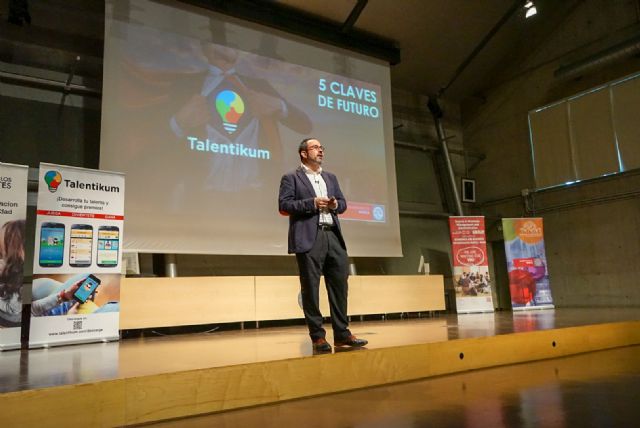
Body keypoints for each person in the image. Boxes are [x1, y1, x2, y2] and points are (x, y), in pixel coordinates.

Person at [278, 138, 368, 353]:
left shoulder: (330, 177)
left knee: (339, 285)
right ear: (303, 153)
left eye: (321, 148)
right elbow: (284, 206)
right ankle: (318, 336)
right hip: (310, 237)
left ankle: (342, 334)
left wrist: (335, 205)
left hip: (333, 235)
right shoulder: (291, 177)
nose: (320, 151)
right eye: (315, 148)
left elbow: (343, 204)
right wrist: (312, 203)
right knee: (311, 288)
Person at [0, 220, 83, 326]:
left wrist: (63, 296)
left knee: (82, 281)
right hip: (38, 321)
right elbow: (17, 310)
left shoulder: (14, 271)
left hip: (33, 311)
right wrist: (67, 317)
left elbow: (31, 309)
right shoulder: (11, 275)